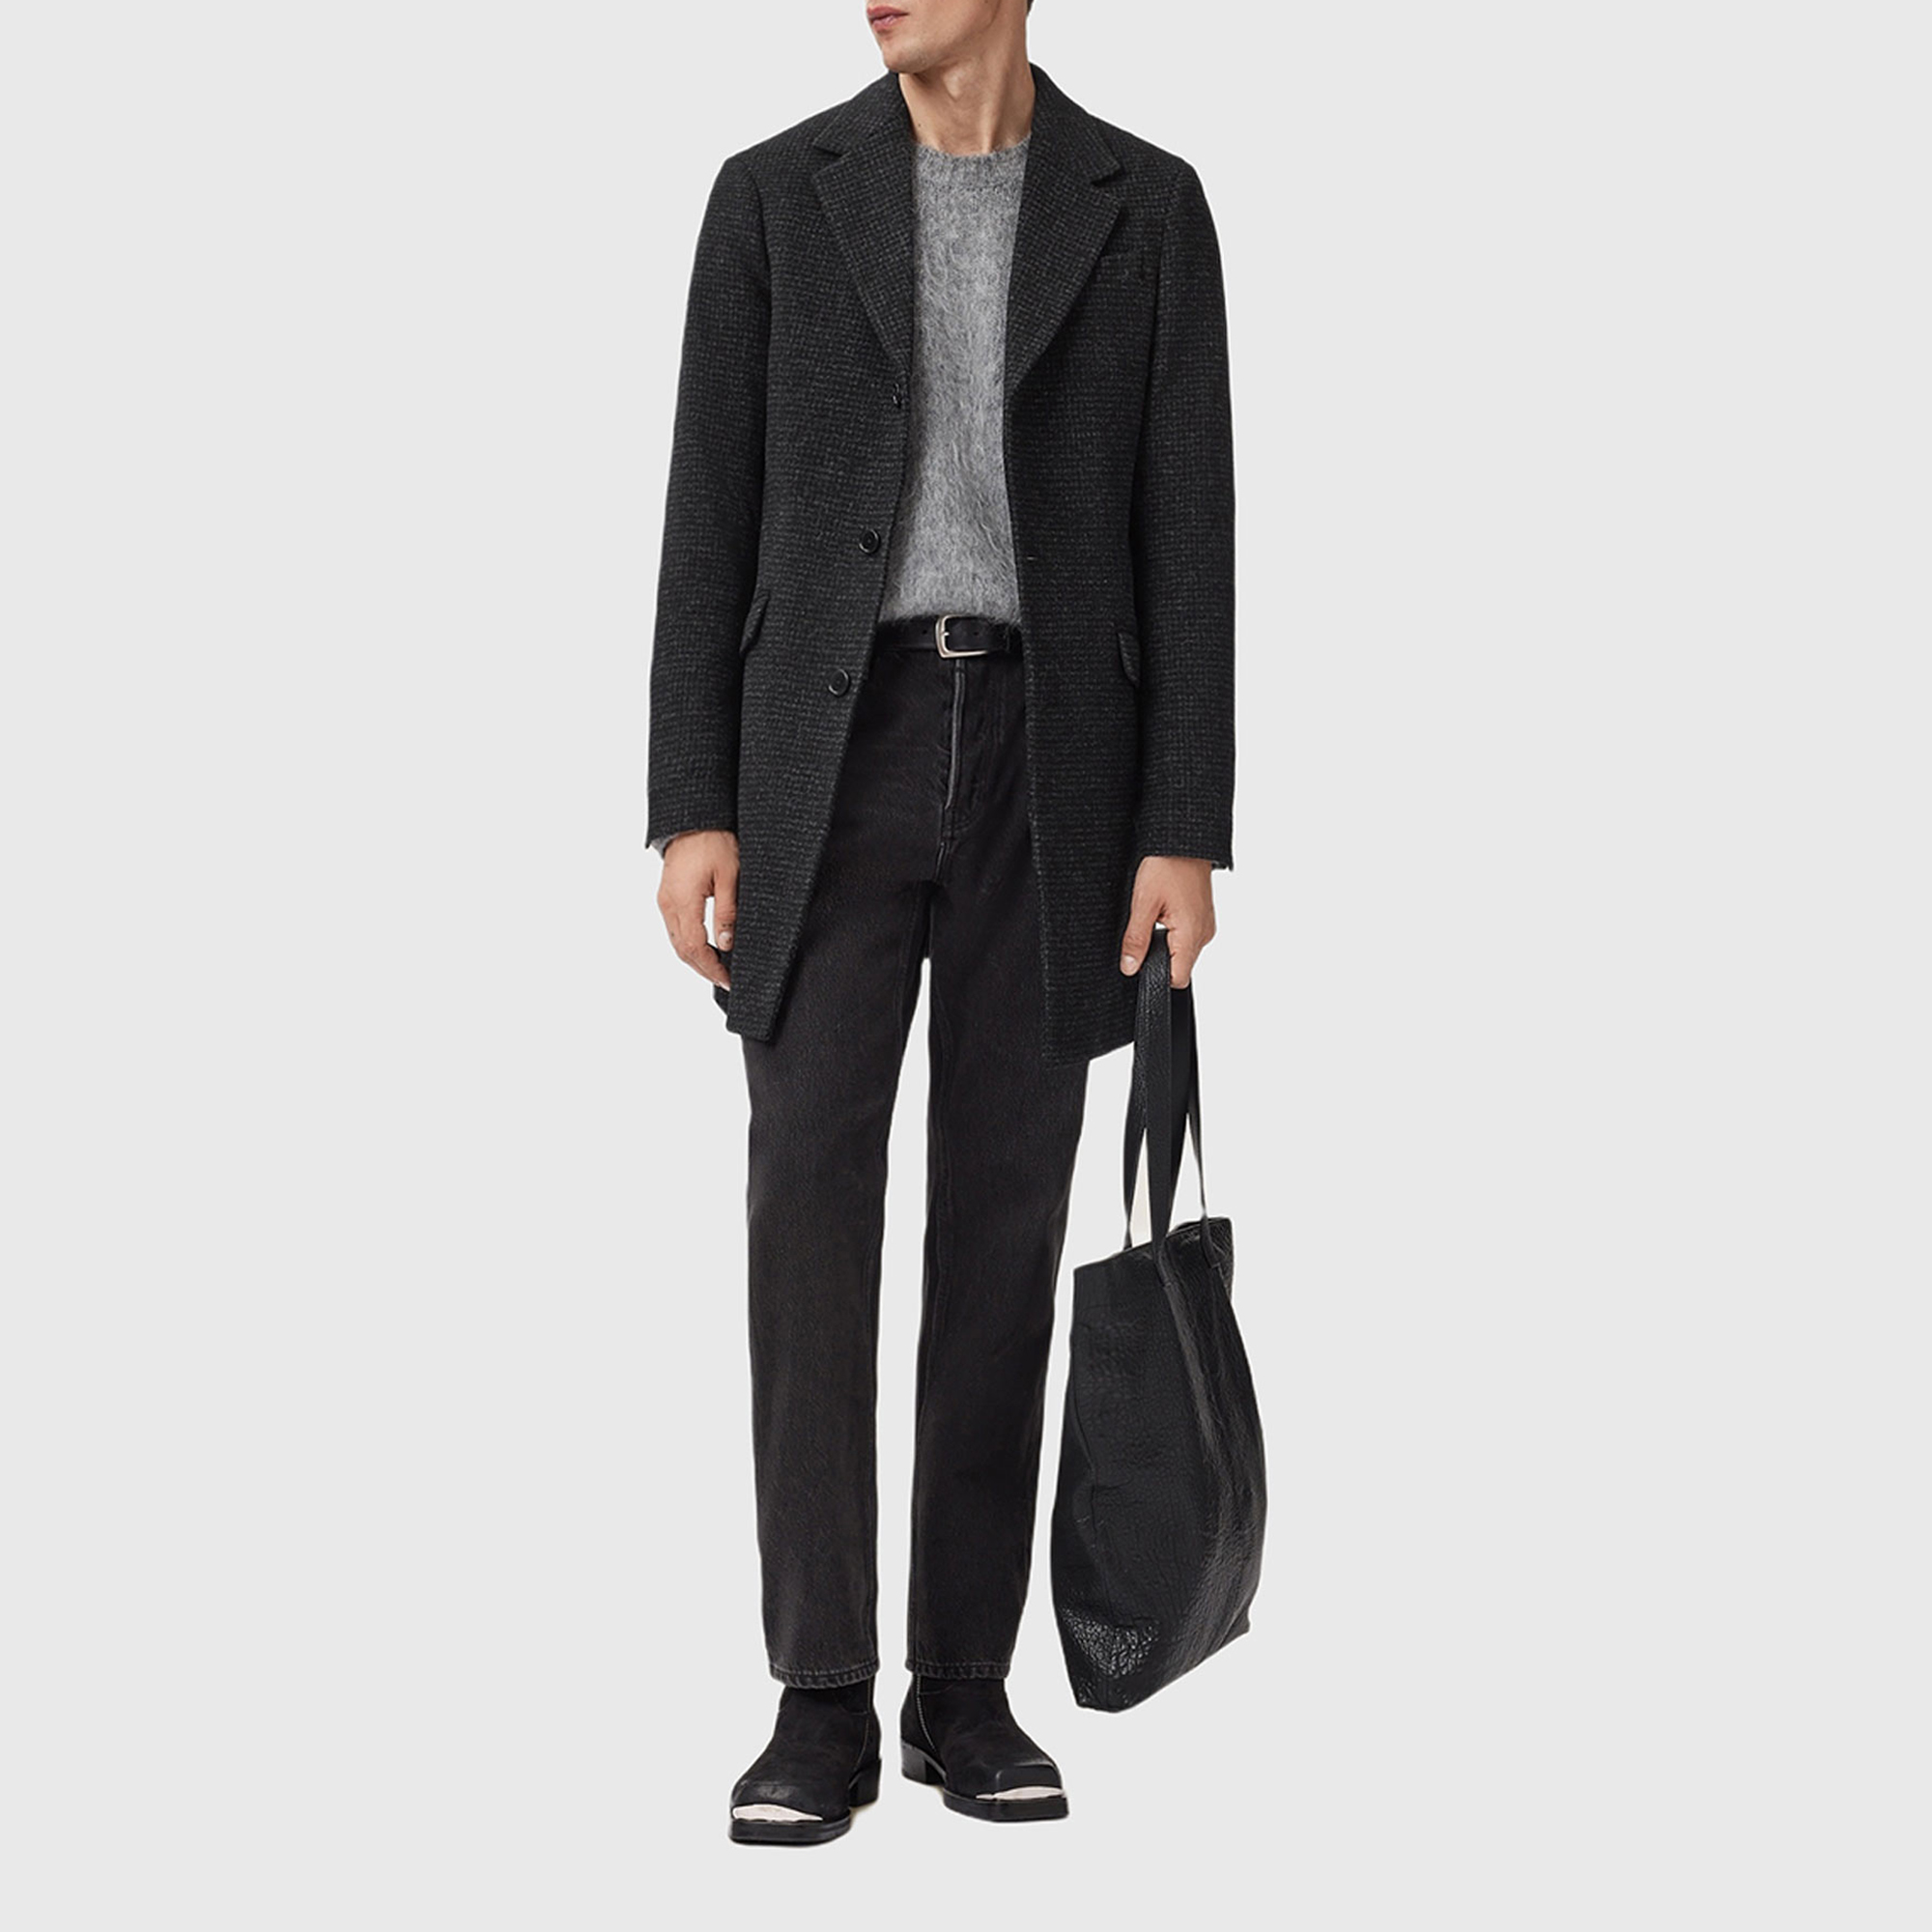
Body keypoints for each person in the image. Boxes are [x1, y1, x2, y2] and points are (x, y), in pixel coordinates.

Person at [645, 0, 1235, 1844]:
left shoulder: (1146, 207)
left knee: (1004, 1216)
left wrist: (1182, 825)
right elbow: (707, 515)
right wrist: (691, 800)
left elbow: (1188, 531)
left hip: (1061, 765)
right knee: (808, 1206)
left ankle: (961, 1686)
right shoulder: (774, 197)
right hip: (828, 752)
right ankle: (820, 1693)